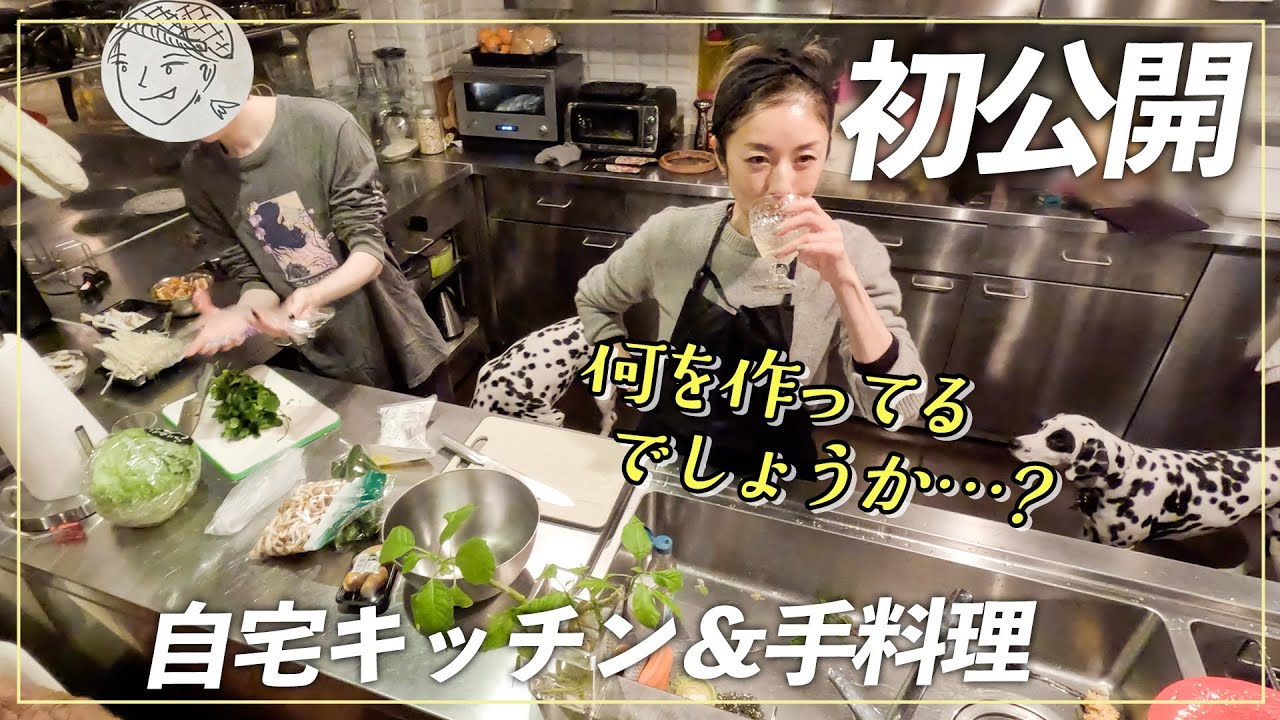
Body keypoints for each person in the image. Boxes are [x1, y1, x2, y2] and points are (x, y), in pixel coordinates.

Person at [574, 37, 927, 480]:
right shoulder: (671, 235)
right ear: (720, 153)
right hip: (668, 459)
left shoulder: (852, 251)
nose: (782, 185)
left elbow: (900, 409)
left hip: (776, 472)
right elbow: (594, 298)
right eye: (758, 158)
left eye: (805, 158)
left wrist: (844, 282)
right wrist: (619, 359)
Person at [180, 93, 453, 397]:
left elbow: (368, 249)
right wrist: (244, 315)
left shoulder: (324, 125)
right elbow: (253, 278)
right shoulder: (198, 173)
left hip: (402, 347)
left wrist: (311, 295)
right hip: (326, 368)